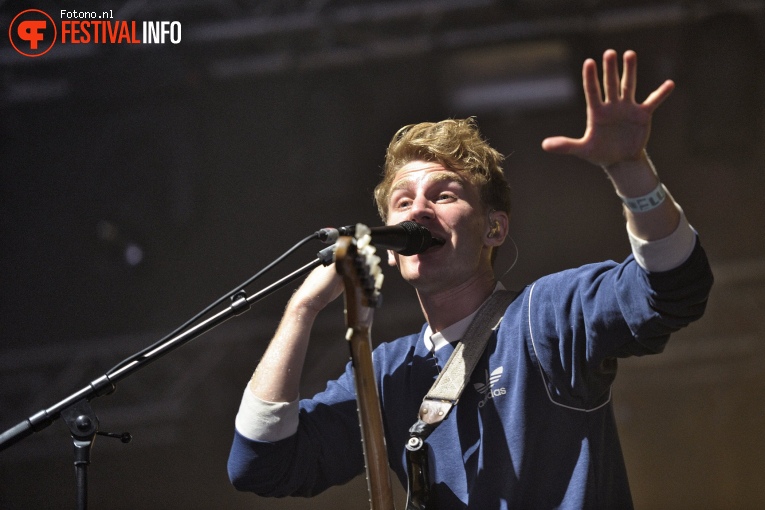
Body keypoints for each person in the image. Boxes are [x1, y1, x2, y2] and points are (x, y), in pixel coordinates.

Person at [227, 50, 713, 508]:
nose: (418, 209)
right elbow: (260, 464)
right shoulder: (387, 374)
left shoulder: (545, 316)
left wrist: (632, 173)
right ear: (393, 250)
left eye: (444, 194)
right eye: (402, 202)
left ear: (494, 227)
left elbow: (674, 289)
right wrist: (302, 311)